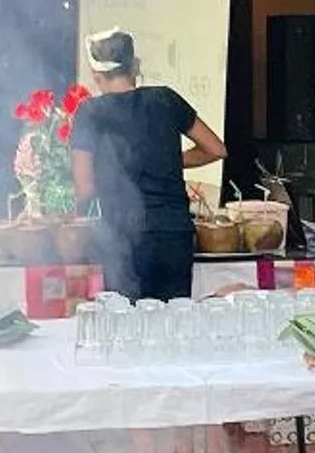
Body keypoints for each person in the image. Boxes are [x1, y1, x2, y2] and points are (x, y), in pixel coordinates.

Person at [70, 28, 224, 302]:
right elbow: (216, 149)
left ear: (96, 76)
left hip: (123, 238)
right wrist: (168, 161)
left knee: (127, 325)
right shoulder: (165, 98)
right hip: (174, 235)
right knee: (172, 323)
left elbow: (84, 189)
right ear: (135, 65)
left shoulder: (90, 112)